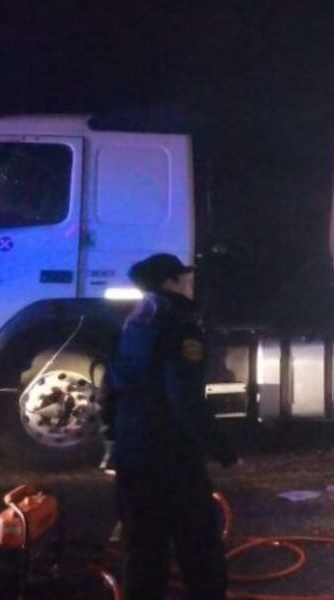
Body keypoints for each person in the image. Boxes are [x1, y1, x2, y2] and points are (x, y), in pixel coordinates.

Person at [100, 253, 237, 600]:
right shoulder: (179, 326)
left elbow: (110, 390)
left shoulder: (131, 324)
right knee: (199, 548)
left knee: (143, 551)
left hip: (133, 455)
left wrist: (113, 439)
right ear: (169, 283)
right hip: (171, 456)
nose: (189, 285)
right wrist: (222, 450)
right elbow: (184, 399)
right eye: (183, 279)